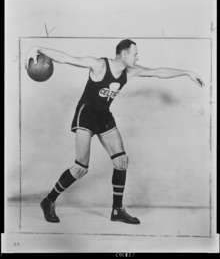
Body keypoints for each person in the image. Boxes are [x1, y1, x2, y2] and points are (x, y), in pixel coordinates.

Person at [26, 39, 204, 225]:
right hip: (86, 115)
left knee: (121, 161)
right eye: (135, 53)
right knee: (80, 168)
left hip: (104, 117)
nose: (137, 57)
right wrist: (36, 48)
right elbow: (67, 58)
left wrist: (187, 72)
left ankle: (117, 210)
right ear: (124, 54)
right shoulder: (99, 65)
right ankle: (48, 201)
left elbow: (157, 72)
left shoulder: (130, 71)